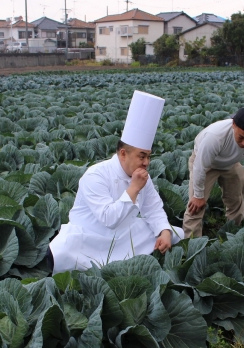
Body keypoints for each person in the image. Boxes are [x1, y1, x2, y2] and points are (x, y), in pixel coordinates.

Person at [49, 91, 184, 274]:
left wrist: (164, 231)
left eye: (149, 157)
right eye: (142, 156)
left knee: (176, 233)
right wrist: (134, 188)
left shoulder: (144, 176)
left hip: (125, 234)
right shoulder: (95, 175)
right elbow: (109, 219)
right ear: (123, 154)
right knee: (62, 253)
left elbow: (153, 208)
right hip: (90, 237)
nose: (146, 163)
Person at [183, 107, 244, 238]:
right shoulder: (214, 136)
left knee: (236, 200)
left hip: (231, 163)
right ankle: (191, 245)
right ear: (233, 125)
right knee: (195, 207)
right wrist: (198, 195)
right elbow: (199, 167)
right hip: (205, 165)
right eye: (241, 137)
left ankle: (234, 234)